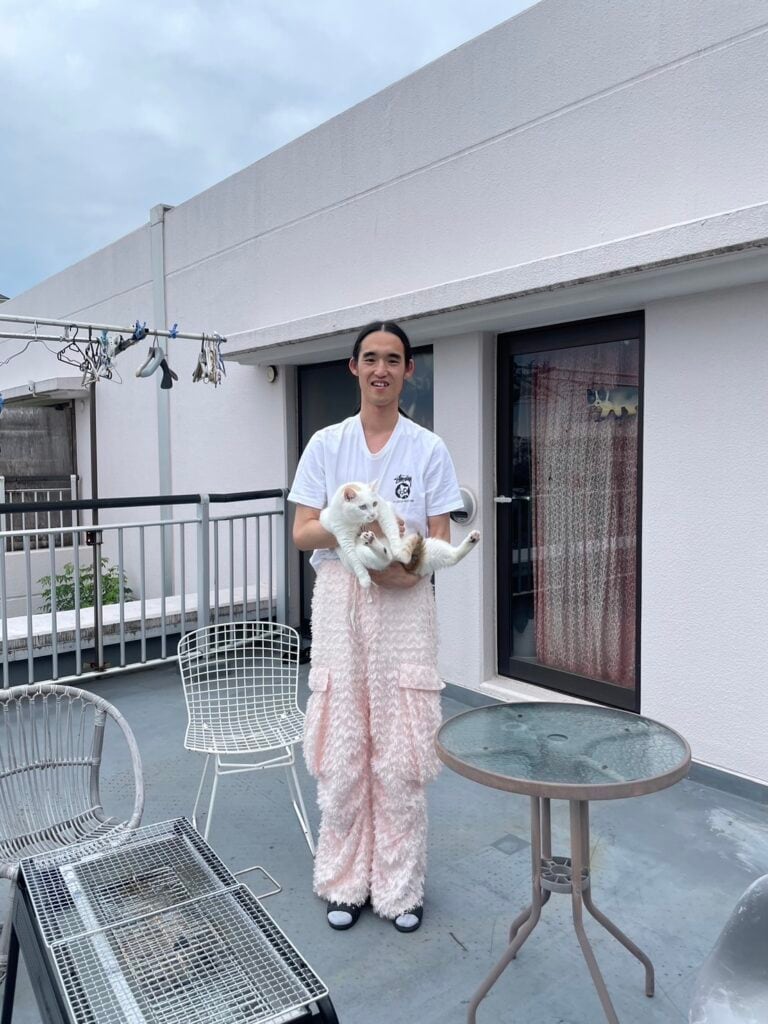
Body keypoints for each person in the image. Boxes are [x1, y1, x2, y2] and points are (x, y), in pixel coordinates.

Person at [288, 320, 462, 933]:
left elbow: (438, 534)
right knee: (342, 740)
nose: (381, 369)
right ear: (354, 367)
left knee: (402, 743)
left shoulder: (428, 448)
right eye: (370, 358)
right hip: (341, 595)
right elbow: (303, 530)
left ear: (409, 369)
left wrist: (407, 571)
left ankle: (399, 887)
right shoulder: (326, 444)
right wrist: (353, 536)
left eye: (392, 359)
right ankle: (342, 880)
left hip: (405, 604)